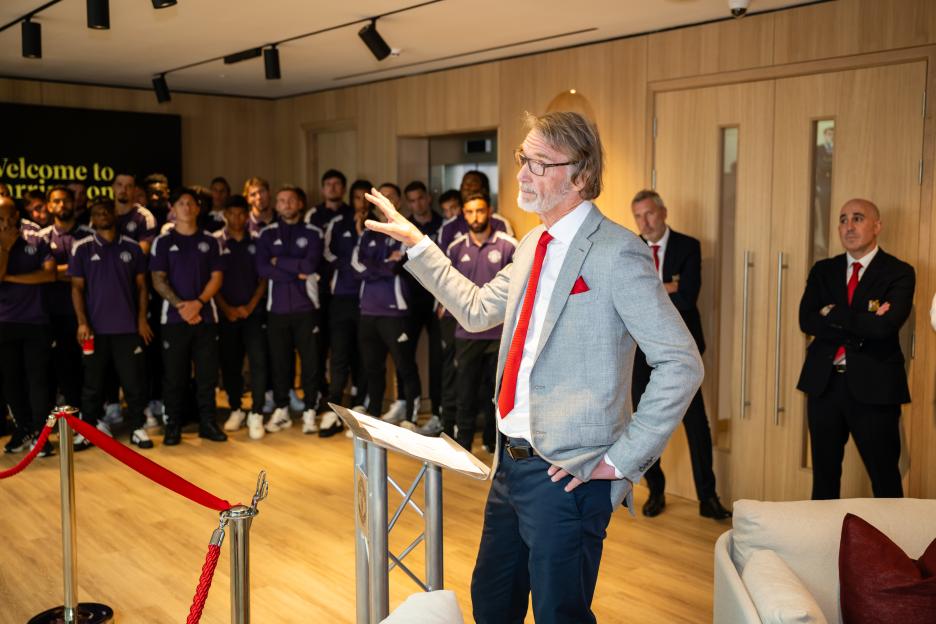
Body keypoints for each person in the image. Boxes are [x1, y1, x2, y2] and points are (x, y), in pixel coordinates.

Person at [365, 111, 702, 623]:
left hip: (569, 475)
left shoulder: (617, 252)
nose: (522, 174)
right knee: (493, 604)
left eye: (539, 164)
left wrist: (622, 460)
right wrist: (418, 243)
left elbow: (680, 363)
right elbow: (476, 308)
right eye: (523, 159)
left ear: (580, 175)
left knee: (558, 614)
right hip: (509, 466)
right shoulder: (530, 246)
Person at [797, 198, 914, 499]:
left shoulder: (899, 272)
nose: (849, 226)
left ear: (877, 226)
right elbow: (806, 320)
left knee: (885, 478)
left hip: (874, 389)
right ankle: (824, 544)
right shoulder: (824, 270)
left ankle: (892, 545)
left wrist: (833, 313)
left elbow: (885, 327)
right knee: (824, 478)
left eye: (858, 218)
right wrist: (863, 320)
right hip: (824, 385)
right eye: (843, 219)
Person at [629, 190, 731, 520]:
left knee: (696, 425)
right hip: (640, 352)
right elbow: (628, 301)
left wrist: (655, 290)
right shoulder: (630, 249)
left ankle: (707, 497)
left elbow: (687, 297)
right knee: (646, 425)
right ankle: (655, 489)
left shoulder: (688, 246)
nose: (644, 222)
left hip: (682, 352)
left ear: (663, 212)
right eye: (638, 216)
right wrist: (667, 285)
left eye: (649, 214)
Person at [70, 198, 153, 449]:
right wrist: (82, 323)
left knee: (133, 382)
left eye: (107, 211)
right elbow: (76, 288)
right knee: (92, 384)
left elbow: (142, 287)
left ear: (115, 214)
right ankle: (87, 429)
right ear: (92, 218)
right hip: (94, 330)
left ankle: (138, 427)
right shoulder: (82, 248)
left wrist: (141, 320)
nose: (103, 215)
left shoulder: (132, 247)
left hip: (127, 328)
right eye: (97, 212)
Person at [150, 187, 227, 445]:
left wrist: (199, 303)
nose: (186, 207)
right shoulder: (163, 241)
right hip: (173, 320)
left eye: (191, 203)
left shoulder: (210, 240)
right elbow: (158, 280)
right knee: (174, 376)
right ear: (173, 208)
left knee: (206, 376)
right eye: (181, 203)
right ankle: (173, 425)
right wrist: (183, 306)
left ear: (197, 208)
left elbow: (217, 277)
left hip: (206, 318)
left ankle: (208, 423)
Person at [445, 192, 517, 450]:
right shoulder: (455, 248)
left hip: (499, 335)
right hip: (466, 334)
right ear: (464, 215)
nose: (475, 217)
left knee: (496, 394)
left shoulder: (509, 245)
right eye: (470, 212)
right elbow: (447, 286)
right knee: (465, 392)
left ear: (490, 211)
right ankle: (463, 444)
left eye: (480, 211)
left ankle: (492, 442)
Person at [256, 186, 324, 434]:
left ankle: (309, 411)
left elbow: (310, 264)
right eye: (281, 200)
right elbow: (263, 269)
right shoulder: (266, 234)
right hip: (277, 309)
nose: (286, 204)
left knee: (310, 363)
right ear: (277, 205)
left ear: (299, 204)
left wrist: (280, 262)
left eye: (291, 201)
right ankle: (282, 409)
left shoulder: (314, 232)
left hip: (306, 308)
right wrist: (296, 271)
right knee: (280, 362)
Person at [351, 203, 421, 427]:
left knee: (405, 366)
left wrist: (375, 265)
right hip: (368, 311)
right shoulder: (366, 234)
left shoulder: (405, 232)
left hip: (395, 312)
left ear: (397, 203)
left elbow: (397, 266)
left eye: (390, 197)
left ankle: (411, 417)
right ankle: (373, 415)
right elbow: (356, 266)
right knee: (372, 367)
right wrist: (383, 264)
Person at [37, 186, 94, 450]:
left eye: (66, 200)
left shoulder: (88, 236)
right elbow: (42, 275)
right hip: (51, 313)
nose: (61, 205)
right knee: (54, 370)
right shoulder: (40, 237)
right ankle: (51, 426)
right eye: (56, 201)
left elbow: (88, 275)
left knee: (84, 369)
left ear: (74, 203)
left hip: (84, 313)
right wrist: (71, 271)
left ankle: (84, 422)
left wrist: (58, 273)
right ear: (49, 206)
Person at [383, 180, 443, 426]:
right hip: (410, 300)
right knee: (404, 354)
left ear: (428, 198)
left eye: (420, 198)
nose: (417, 204)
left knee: (438, 357)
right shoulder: (405, 226)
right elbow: (396, 265)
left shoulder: (442, 223)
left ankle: (438, 412)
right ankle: (407, 407)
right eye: (412, 200)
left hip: (439, 299)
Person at [0, 196, 57, 457]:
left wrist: (11, 277)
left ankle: (40, 433)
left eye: (9, 215)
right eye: (1, 217)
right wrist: (6, 248)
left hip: (36, 321)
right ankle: (23, 428)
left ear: (17, 214)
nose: (6, 221)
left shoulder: (35, 236)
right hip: (4, 322)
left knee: (38, 380)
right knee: (11, 380)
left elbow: (49, 274)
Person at [317, 179, 372, 437]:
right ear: (351, 199)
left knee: (363, 356)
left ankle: (360, 410)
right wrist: (348, 264)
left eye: (365, 197)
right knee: (339, 356)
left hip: (368, 300)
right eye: (356, 197)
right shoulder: (338, 224)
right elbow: (326, 254)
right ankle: (333, 409)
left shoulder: (376, 225)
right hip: (341, 298)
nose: (360, 201)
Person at [214, 195, 268, 440]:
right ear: (225, 214)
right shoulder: (216, 242)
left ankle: (256, 412)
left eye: (241, 213)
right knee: (230, 364)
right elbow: (211, 281)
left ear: (247, 215)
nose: (236, 218)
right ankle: (236, 408)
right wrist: (227, 308)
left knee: (257, 363)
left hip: (253, 313)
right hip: (226, 315)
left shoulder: (258, 241)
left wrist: (249, 306)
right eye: (231, 213)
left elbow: (264, 278)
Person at [305, 170, 352, 409]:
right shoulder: (314, 214)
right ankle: (321, 394)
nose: (332, 188)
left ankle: (345, 395)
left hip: (344, 291)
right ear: (323, 189)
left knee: (342, 346)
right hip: (319, 289)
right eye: (328, 184)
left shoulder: (350, 213)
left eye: (337, 184)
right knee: (319, 345)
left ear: (343, 188)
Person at [113, 173, 157, 254]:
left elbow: (142, 253)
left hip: (131, 264)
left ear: (134, 190)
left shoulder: (144, 217)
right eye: (119, 185)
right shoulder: (104, 213)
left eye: (129, 186)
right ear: (113, 187)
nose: (123, 190)